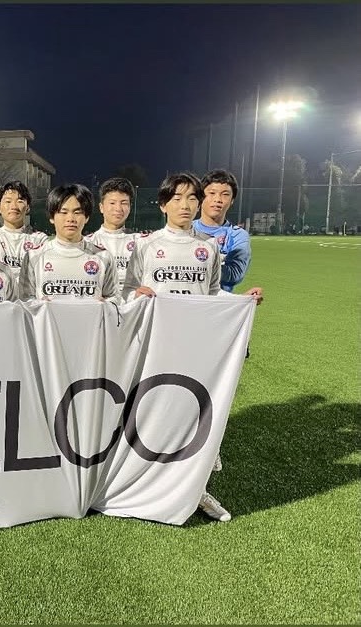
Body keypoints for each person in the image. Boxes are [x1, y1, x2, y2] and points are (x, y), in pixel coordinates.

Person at [123, 172, 264, 523]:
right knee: (156, 415)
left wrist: (242, 301)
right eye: (176, 198)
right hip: (157, 344)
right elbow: (127, 292)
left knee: (196, 415)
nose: (185, 205)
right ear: (163, 205)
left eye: (191, 198)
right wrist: (136, 294)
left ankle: (196, 492)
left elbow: (213, 294)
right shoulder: (146, 245)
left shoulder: (209, 247)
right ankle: (148, 487)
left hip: (197, 344)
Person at [19, 183, 119, 302]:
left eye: (77, 212)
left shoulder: (103, 257)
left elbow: (114, 299)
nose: (70, 219)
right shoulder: (34, 257)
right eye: (63, 212)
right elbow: (25, 301)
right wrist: (40, 306)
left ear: (86, 217)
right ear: (51, 217)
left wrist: (106, 304)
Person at [192, 169, 251, 293]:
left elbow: (235, 274)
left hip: (218, 303)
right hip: (186, 300)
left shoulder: (238, 235)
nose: (218, 199)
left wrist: (195, 265)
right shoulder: (186, 229)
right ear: (201, 196)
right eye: (212, 193)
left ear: (232, 200)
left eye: (225, 194)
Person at [86, 177, 139, 293]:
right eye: (112, 203)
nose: (118, 208)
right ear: (101, 207)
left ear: (130, 207)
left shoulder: (140, 242)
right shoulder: (88, 243)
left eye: (124, 203)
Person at [0, 180, 48, 280]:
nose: (14, 206)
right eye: (8, 201)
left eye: (20, 201)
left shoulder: (39, 240)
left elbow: (43, 273)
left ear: (28, 207)